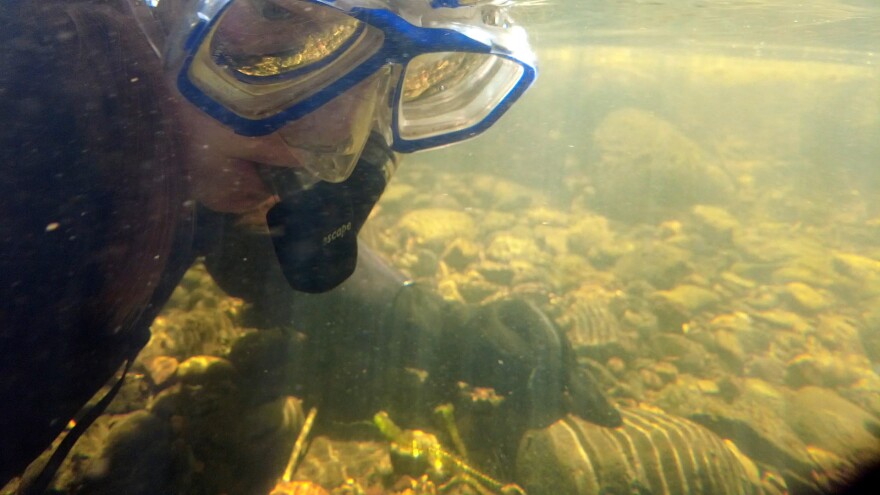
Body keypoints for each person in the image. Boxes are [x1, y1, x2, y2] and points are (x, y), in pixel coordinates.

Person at [0, 0, 621, 491]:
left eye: (431, 72)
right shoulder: (33, 101)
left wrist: (439, 328)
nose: (332, 147)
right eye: (278, 13)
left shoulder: (183, 146)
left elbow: (267, 255)